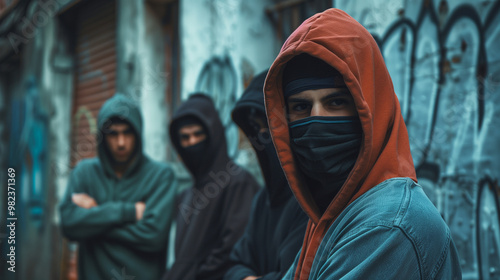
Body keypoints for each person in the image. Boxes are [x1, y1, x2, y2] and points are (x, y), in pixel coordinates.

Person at [262, 9, 462, 280]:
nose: (316, 119)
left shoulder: (389, 226)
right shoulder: (334, 211)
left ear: (370, 109)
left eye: (336, 102)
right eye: (301, 106)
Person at [59, 94, 177, 280]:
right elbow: (69, 224)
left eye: (127, 133)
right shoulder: (84, 173)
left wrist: (94, 216)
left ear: (138, 134)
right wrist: (127, 212)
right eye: (113, 134)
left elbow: (153, 237)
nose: (121, 143)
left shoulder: (161, 176)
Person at [164, 93, 260, 280]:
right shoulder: (186, 194)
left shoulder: (238, 183)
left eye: (198, 134)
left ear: (212, 134)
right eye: (185, 137)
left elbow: (231, 251)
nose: (191, 142)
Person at [225, 70, 309, 280]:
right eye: (256, 128)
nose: (263, 137)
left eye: (269, 125)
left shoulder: (312, 198)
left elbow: (296, 274)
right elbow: (236, 264)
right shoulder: (263, 199)